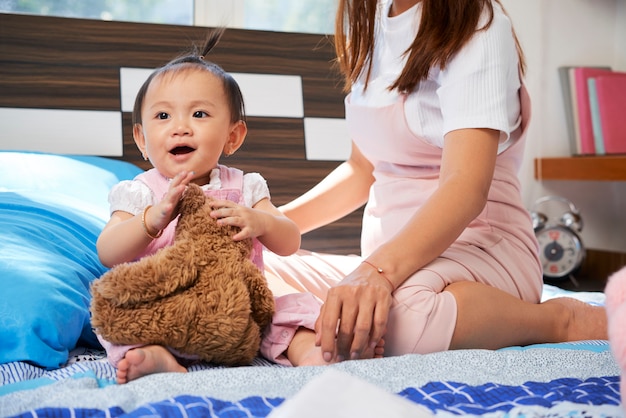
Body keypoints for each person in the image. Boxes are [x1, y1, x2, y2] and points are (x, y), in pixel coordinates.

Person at [262, 0, 608, 366]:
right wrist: (271, 227)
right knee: (251, 269)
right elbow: (362, 169)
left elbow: (465, 187)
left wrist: (376, 272)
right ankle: (314, 336)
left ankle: (557, 321)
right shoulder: (372, 24)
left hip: (483, 247)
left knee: (399, 320)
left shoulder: (480, 27)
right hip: (391, 260)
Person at [95, 29, 318, 383]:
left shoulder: (246, 186)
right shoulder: (140, 192)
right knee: (113, 317)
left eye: (199, 114)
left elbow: (290, 241)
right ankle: (156, 356)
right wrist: (151, 221)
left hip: (237, 314)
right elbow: (108, 252)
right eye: (163, 116)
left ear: (233, 136)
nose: (180, 128)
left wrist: (260, 221)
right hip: (165, 310)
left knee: (294, 309)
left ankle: (308, 351)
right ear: (141, 138)